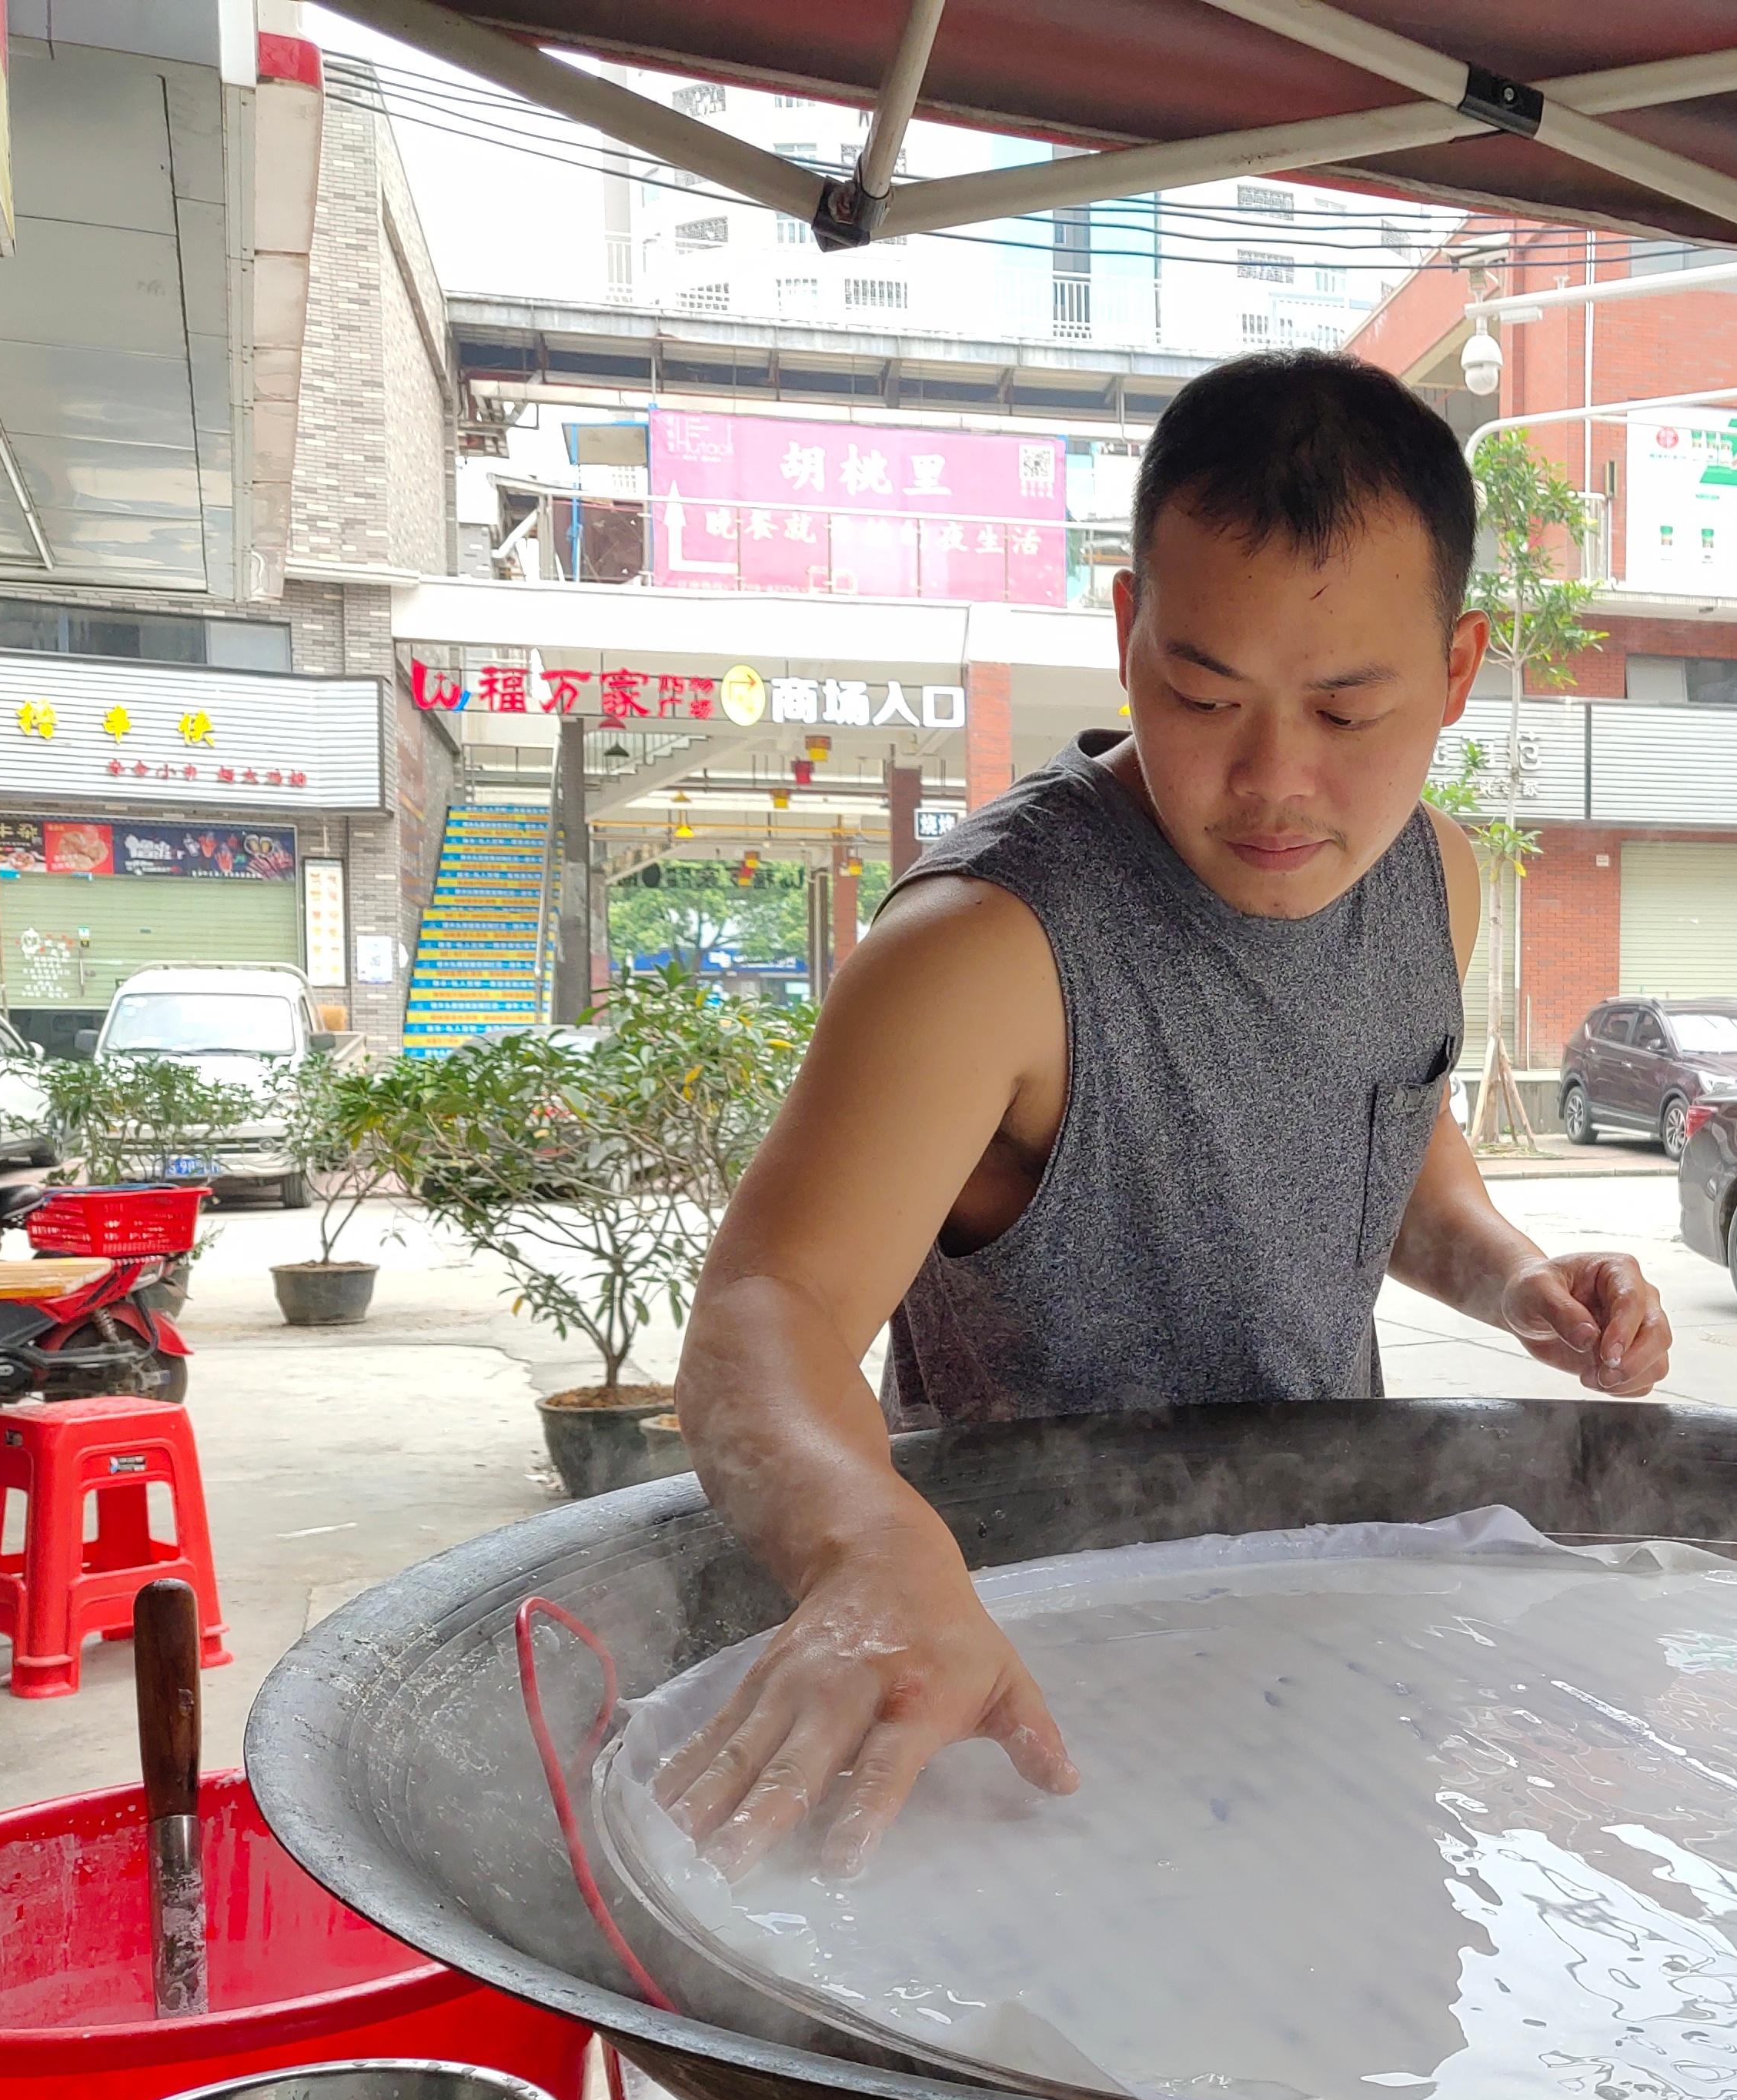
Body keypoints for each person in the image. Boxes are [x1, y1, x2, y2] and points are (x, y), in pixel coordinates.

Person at [661, 352, 1675, 1881]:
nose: (1274, 779)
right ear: (1127, 630)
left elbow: (1391, 1160)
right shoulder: (986, 948)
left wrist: (1513, 1277)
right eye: (1203, 695)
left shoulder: (1429, 880)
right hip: (1025, 1694)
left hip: (1329, 1642)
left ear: (1459, 673)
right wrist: (867, 1548)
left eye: (1349, 710)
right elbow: (762, 1313)